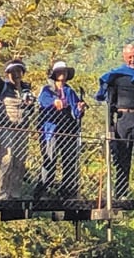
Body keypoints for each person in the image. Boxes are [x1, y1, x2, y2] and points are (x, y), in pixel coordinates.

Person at [96, 44, 134, 199]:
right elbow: (110, 100)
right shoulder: (116, 76)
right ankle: (122, 192)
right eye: (129, 56)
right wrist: (110, 124)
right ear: (124, 57)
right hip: (124, 118)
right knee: (123, 155)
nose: (132, 59)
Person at [0, 38, 34, 200]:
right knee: (7, 158)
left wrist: (30, 104)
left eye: (18, 71)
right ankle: (1, 193)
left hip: (22, 127)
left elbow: (31, 109)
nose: (16, 74)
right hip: (5, 126)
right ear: (7, 74)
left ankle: (15, 193)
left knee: (20, 160)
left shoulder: (27, 89)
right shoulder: (3, 86)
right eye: (12, 71)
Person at [35, 60, 86, 199]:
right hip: (52, 131)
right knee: (49, 159)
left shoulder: (70, 91)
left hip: (68, 131)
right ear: (54, 74)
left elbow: (76, 113)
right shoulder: (47, 90)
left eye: (64, 71)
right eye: (59, 71)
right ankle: (44, 189)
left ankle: (66, 190)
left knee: (69, 161)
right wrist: (54, 102)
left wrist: (80, 108)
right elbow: (43, 102)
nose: (62, 74)